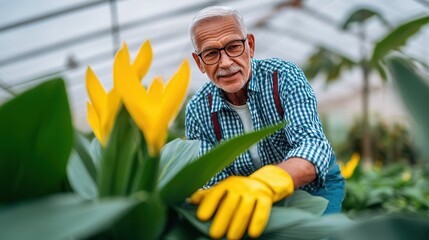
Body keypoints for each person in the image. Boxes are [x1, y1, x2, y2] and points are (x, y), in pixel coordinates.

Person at [185, 6, 345, 240]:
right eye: (211, 53)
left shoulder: (284, 77)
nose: (226, 62)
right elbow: (212, 181)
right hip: (250, 197)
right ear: (199, 63)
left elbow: (313, 144)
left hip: (314, 186)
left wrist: (267, 183)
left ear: (250, 45)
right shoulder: (198, 110)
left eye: (233, 47)